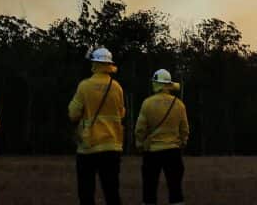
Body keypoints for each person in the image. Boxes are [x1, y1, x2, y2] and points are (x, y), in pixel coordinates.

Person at [68, 46, 126, 205]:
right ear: (109, 64)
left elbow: (73, 114)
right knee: (112, 193)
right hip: (111, 146)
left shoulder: (84, 86)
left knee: (86, 193)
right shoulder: (117, 87)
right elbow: (121, 114)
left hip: (88, 147)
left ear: (94, 64)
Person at [135, 68, 188, 205]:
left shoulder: (147, 103)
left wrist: (140, 144)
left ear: (156, 84)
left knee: (149, 190)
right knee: (175, 189)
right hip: (173, 151)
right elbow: (184, 128)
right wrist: (182, 142)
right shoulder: (179, 104)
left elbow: (140, 128)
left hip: (152, 152)